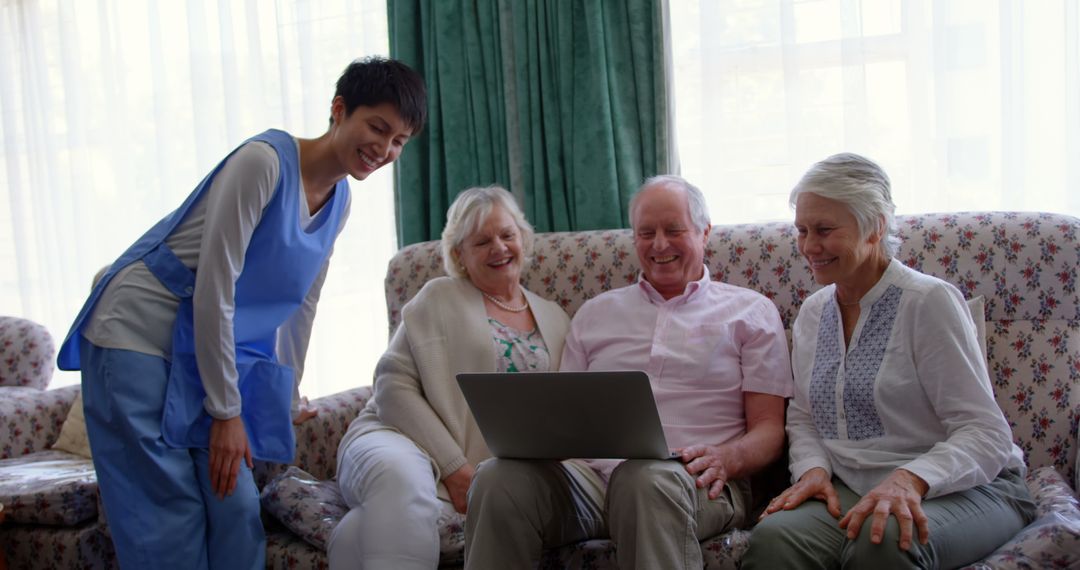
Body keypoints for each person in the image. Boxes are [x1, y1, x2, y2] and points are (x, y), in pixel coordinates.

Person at [55, 57, 427, 569]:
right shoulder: (264, 162)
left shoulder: (339, 201)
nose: (384, 150)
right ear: (339, 110)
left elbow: (302, 302)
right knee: (167, 513)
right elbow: (215, 285)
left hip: (202, 345)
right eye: (377, 128)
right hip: (138, 332)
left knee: (233, 502)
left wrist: (287, 387)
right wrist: (226, 412)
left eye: (399, 141)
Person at [464, 175, 794, 569]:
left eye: (673, 230)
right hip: (591, 483)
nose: (659, 244)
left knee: (643, 480)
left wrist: (727, 458)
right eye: (645, 232)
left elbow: (770, 430)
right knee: (497, 479)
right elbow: (565, 414)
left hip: (699, 483)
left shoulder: (750, 312)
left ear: (704, 232)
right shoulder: (594, 313)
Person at [743, 153, 1036, 569]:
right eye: (802, 231)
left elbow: (984, 431)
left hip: (970, 487)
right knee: (774, 539)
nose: (809, 247)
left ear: (876, 226)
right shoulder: (812, 312)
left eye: (824, 230)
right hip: (856, 486)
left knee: (886, 538)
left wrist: (909, 479)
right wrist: (813, 470)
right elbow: (804, 416)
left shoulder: (928, 302)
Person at [328, 185, 571, 569]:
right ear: (459, 254)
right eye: (482, 241)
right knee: (402, 485)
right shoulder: (438, 296)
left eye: (507, 235)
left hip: (483, 472)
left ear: (523, 238)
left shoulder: (555, 318)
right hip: (398, 435)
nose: (499, 248)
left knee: (361, 530)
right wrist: (455, 467)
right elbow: (392, 386)